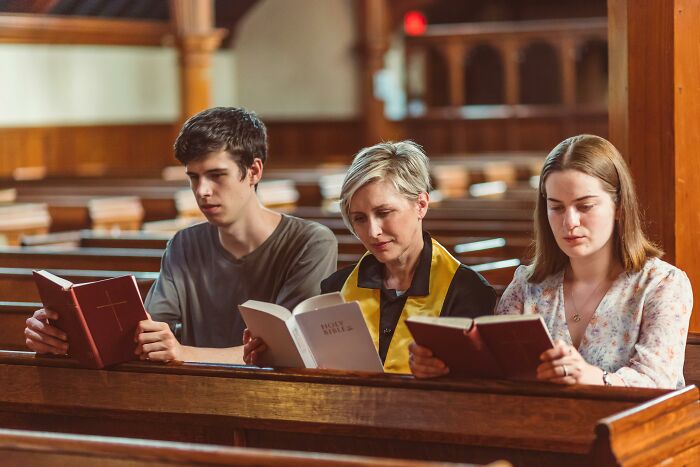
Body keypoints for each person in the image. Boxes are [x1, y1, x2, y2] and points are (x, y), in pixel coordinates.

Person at [24, 106, 338, 364]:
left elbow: (288, 350)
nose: (202, 191)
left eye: (216, 176)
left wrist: (184, 353)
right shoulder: (184, 243)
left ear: (254, 171)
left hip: (275, 404)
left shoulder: (311, 242)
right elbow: (141, 332)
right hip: (192, 395)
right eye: (194, 177)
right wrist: (61, 336)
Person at [409, 134, 693, 389]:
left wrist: (589, 377)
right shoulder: (527, 285)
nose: (570, 222)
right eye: (556, 207)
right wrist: (445, 369)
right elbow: (496, 374)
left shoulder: (662, 284)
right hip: (541, 434)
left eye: (585, 206)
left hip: (635, 438)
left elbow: (657, 381)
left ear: (618, 207)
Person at [245, 141, 496, 373]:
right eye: (360, 219)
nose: (373, 232)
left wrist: (445, 372)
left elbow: (478, 386)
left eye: (384, 212)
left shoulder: (467, 291)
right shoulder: (335, 289)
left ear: (421, 205)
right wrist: (274, 359)